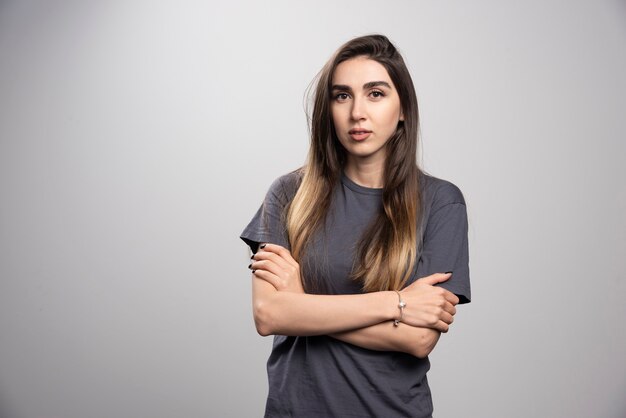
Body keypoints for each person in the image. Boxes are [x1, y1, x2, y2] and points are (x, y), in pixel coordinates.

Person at [240, 34, 471, 418]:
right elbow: (270, 316)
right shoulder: (288, 194)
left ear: (403, 110)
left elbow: (417, 339)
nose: (357, 113)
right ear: (328, 108)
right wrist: (396, 303)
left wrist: (302, 306)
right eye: (342, 95)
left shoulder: (441, 202)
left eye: (376, 94)